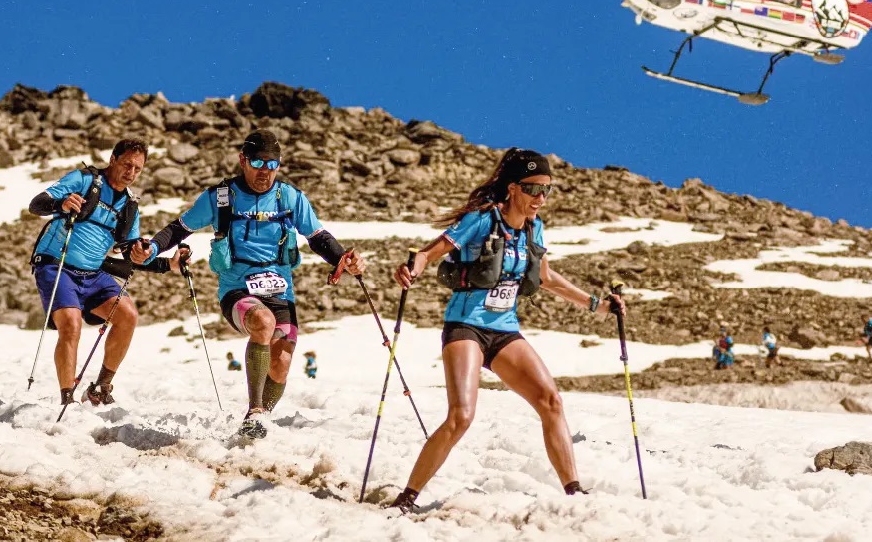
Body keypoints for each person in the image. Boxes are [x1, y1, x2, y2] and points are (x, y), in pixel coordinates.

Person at [386, 149, 625, 513]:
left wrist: (598, 305)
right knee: (461, 416)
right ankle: (407, 497)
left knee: (551, 402)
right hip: (466, 326)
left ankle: (574, 491)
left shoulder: (534, 227)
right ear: (513, 188)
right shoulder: (482, 220)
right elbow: (429, 252)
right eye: (533, 190)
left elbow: (546, 278)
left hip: (504, 331)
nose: (540, 199)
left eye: (547, 190)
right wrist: (412, 268)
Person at [144, 130, 364, 440]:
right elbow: (178, 229)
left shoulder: (290, 198)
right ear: (242, 160)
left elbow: (318, 238)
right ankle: (255, 410)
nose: (265, 171)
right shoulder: (221, 197)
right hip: (237, 289)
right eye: (258, 162)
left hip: (280, 290)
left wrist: (343, 258)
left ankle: (259, 427)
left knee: (282, 363)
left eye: (272, 164)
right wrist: (152, 247)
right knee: (263, 322)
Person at [27, 139, 185, 406]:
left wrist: (166, 263)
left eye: (138, 169)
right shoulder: (84, 179)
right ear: (112, 159)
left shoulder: (130, 206)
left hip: (92, 274)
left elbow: (131, 255)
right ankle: (67, 398)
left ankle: (101, 386)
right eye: (127, 165)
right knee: (71, 324)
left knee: (128, 316)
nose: (131, 173)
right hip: (56, 264)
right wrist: (61, 204)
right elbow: (37, 204)